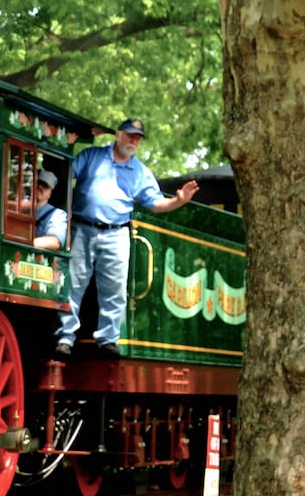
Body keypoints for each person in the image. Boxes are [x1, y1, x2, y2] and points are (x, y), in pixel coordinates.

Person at [54, 118, 198, 358]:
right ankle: (65, 338)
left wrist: (178, 201)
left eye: (138, 138)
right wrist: (74, 138)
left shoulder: (141, 172)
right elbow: (64, 171)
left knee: (115, 289)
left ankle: (108, 340)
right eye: (130, 135)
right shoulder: (92, 156)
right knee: (73, 284)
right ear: (118, 135)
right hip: (82, 227)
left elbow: (155, 203)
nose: (133, 141)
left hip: (117, 232)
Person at [32, 169, 67, 249]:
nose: (40, 187)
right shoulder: (18, 207)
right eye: (38, 182)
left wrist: (28, 242)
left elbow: (55, 242)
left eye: (45, 185)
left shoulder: (57, 215)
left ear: (50, 193)